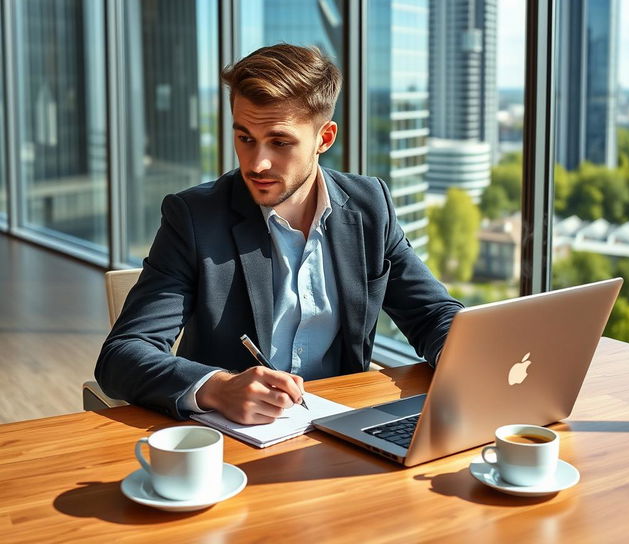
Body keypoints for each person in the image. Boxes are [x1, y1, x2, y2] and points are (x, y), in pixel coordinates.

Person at [95, 43, 463, 424]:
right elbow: (123, 354)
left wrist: (465, 356)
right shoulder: (193, 217)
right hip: (233, 438)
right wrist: (217, 388)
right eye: (245, 138)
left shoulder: (370, 205)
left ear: (325, 138)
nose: (258, 163)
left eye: (280, 142)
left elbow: (432, 313)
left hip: (343, 426)